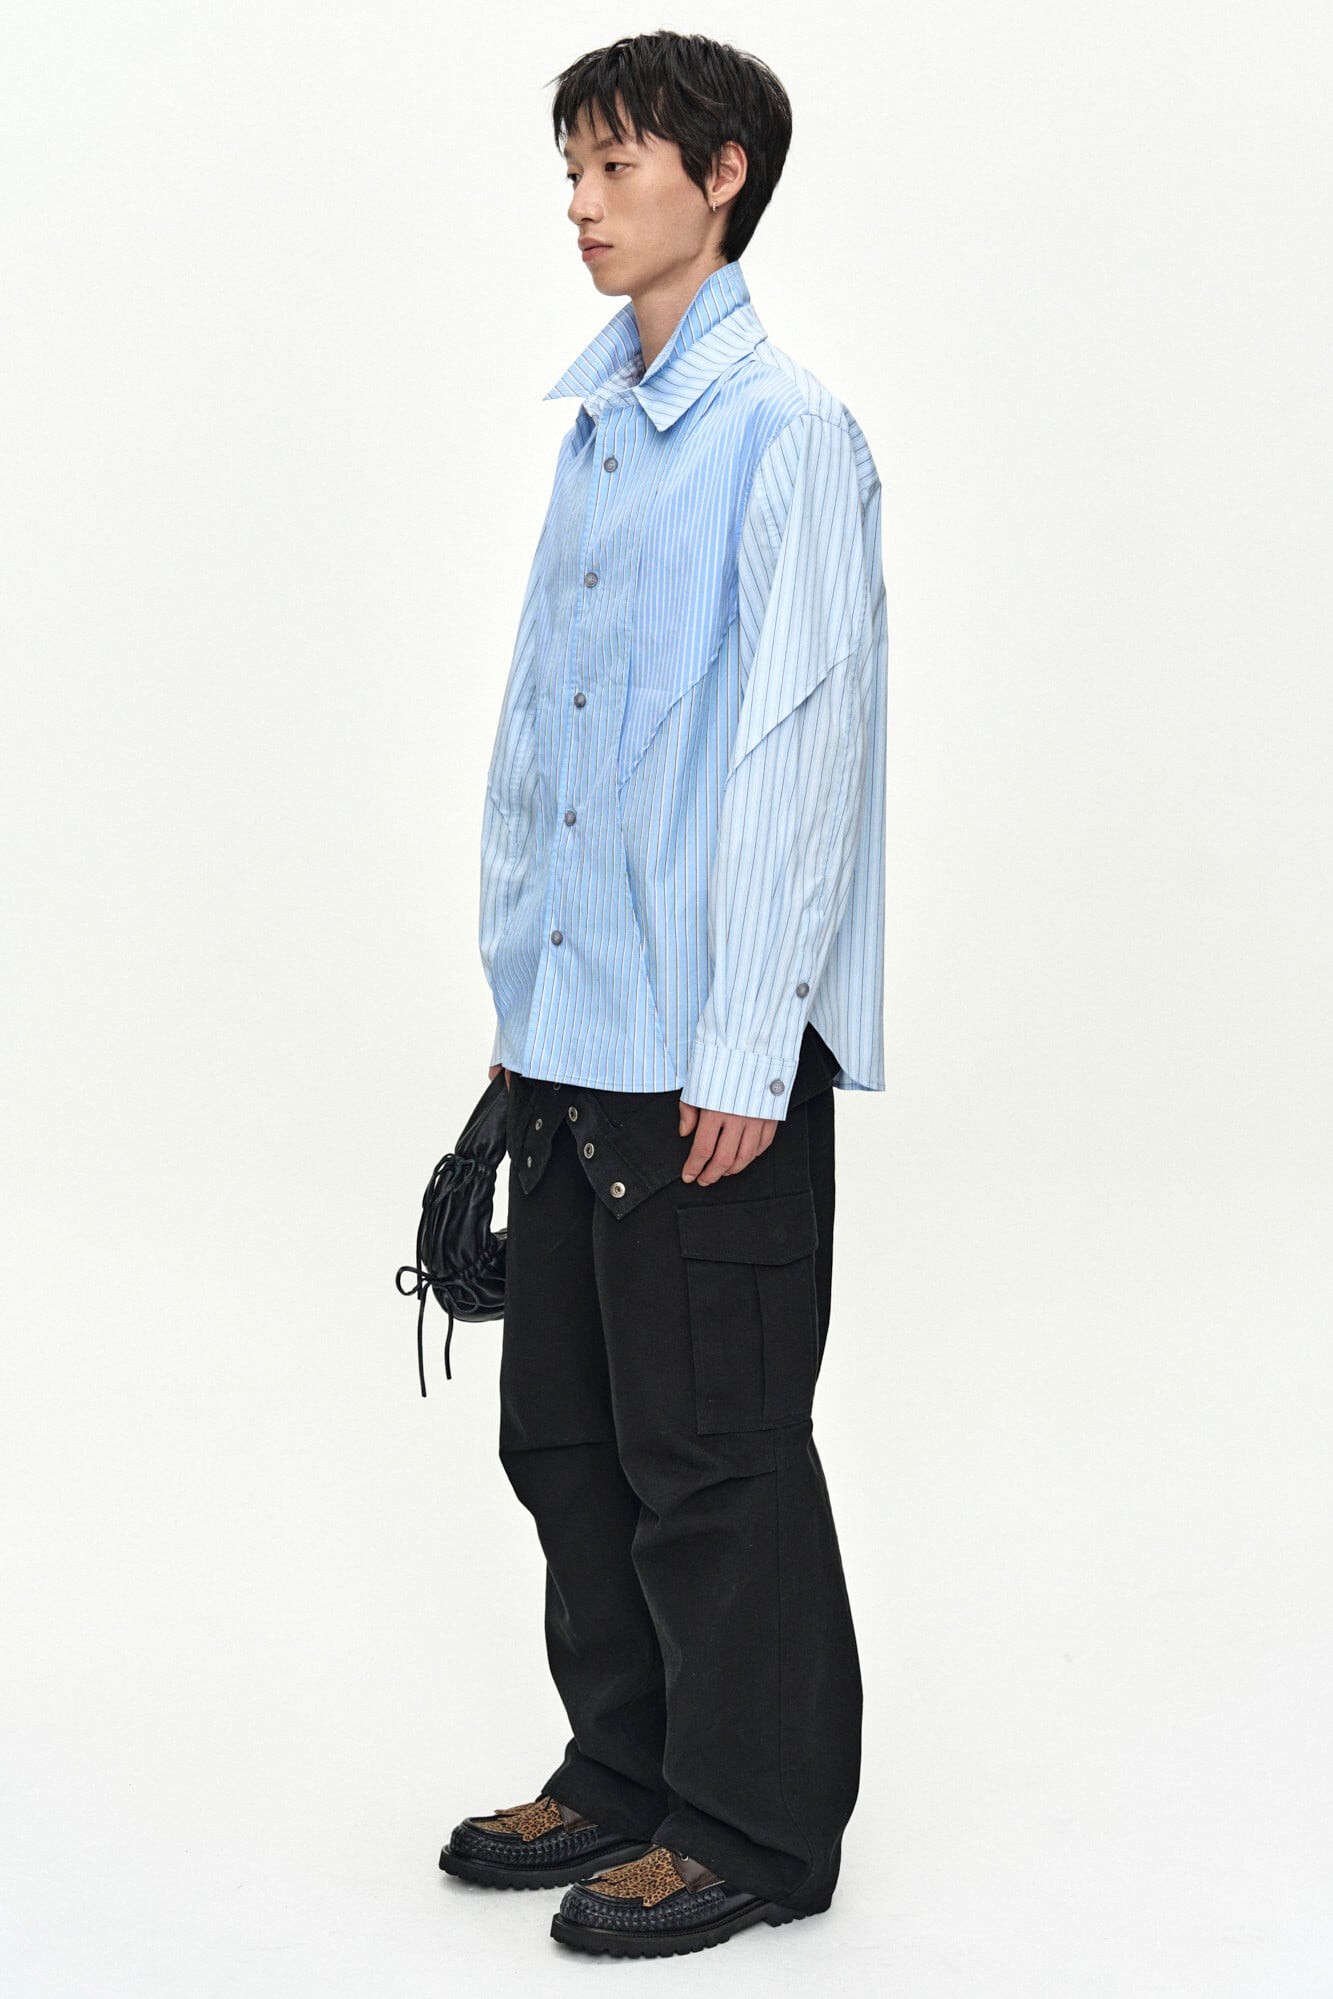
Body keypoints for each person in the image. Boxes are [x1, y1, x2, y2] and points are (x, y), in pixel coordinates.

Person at [440, 29, 888, 1960]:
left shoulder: (785, 435)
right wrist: (514, 1021)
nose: (579, 201)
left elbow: (796, 754)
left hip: (710, 1049)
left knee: (714, 1454)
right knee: (567, 1435)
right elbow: (547, 742)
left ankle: (753, 1829)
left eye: (615, 164)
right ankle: (624, 1770)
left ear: (721, 177)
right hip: (576, 1034)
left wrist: (746, 1047)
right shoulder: (599, 429)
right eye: (569, 167)